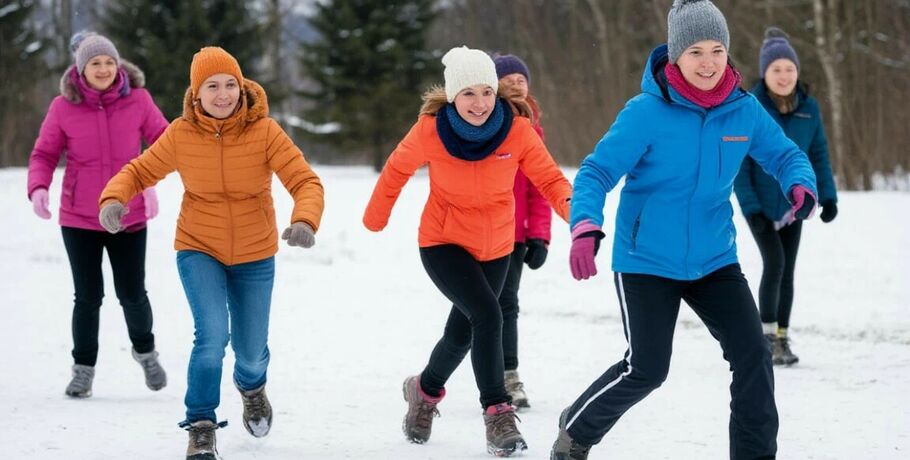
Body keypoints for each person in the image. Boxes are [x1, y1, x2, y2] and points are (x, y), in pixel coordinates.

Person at [550, 1, 818, 459]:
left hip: (714, 257)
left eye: (717, 49)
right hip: (646, 259)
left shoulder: (744, 110)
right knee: (647, 369)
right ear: (675, 56)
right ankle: (576, 430)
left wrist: (801, 182)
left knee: (753, 354)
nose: (709, 62)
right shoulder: (645, 112)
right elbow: (596, 172)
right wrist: (585, 226)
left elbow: (785, 154)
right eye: (696, 51)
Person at [97, 46, 324, 460]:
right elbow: (139, 170)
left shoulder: (265, 132)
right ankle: (201, 423)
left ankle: (251, 387)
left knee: (252, 350)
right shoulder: (182, 134)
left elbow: (305, 181)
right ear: (196, 94)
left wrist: (305, 220)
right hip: (198, 247)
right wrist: (115, 198)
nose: (223, 94)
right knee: (211, 337)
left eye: (230, 85)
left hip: (255, 253)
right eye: (212, 86)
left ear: (243, 87)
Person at [363, 46, 572, 457]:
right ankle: (497, 412)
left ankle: (423, 391)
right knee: (489, 315)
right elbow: (397, 169)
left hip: (496, 244)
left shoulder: (516, 130)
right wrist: (376, 216)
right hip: (443, 241)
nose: (479, 103)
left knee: (461, 333)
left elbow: (549, 179)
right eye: (468, 94)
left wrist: (579, 217)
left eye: (487, 92)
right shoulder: (430, 129)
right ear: (452, 96)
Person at [27, 31, 169, 399]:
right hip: (79, 217)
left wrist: (149, 182)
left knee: (133, 294)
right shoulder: (63, 107)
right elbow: (44, 154)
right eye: (95, 63)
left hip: (127, 213)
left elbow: (166, 143)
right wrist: (39, 187)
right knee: (88, 297)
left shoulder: (138, 100)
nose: (104, 69)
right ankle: (83, 370)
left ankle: (146, 353)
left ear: (118, 64)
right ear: (81, 68)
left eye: (109, 61)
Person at [734, 27, 839, 366]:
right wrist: (752, 209)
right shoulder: (751, 107)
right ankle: (765, 337)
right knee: (774, 263)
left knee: (787, 270)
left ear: (797, 72)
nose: (783, 76)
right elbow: (741, 164)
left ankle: (781, 336)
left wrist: (828, 196)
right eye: (776, 69)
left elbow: (818, 155)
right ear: (765, 73)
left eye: (789, 69)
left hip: (795, 206)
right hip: (761, 206)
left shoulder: (809, 109)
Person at [493, 53, 553, 409]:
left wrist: (539, 235)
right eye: (508, 78)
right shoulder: (482, 120)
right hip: (475, 233)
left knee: (506, 305)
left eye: (521, 78)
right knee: (475, 311)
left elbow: (539, 186)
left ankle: (508, 376)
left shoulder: (533, 129)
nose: (517, 83)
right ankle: (436, 378)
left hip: (513, 236)